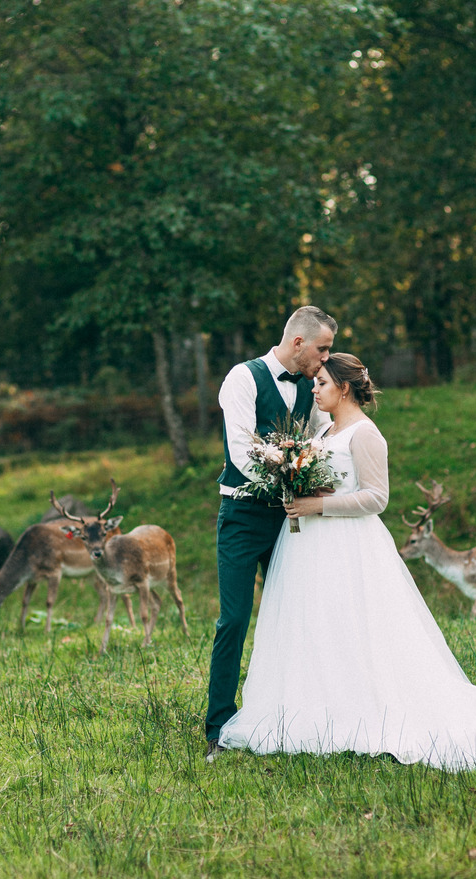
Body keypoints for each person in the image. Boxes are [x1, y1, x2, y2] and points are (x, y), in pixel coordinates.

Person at [215, 353, 476, 771]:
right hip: (311, 547)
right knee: (319, 628)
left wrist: (317, 506)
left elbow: (377, 498)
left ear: (344, 388)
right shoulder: (325, 430)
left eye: (322, 383)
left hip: (347, 546)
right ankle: (315, 706)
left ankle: (361, 710)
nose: (314, 389)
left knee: (354, 627)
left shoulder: (365, 434)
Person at [206, 306, 337, 761]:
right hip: (243, 516)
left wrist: (315, 476)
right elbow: (242, 450)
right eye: (322, 349)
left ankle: (298, 717)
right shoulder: (242, 379)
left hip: (291, 515)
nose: (326, 358)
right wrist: (286, 478)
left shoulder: (312, 387)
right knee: (234, 619)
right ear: (298, 342)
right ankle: (218, 727)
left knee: (298, 615)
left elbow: (324, 437)